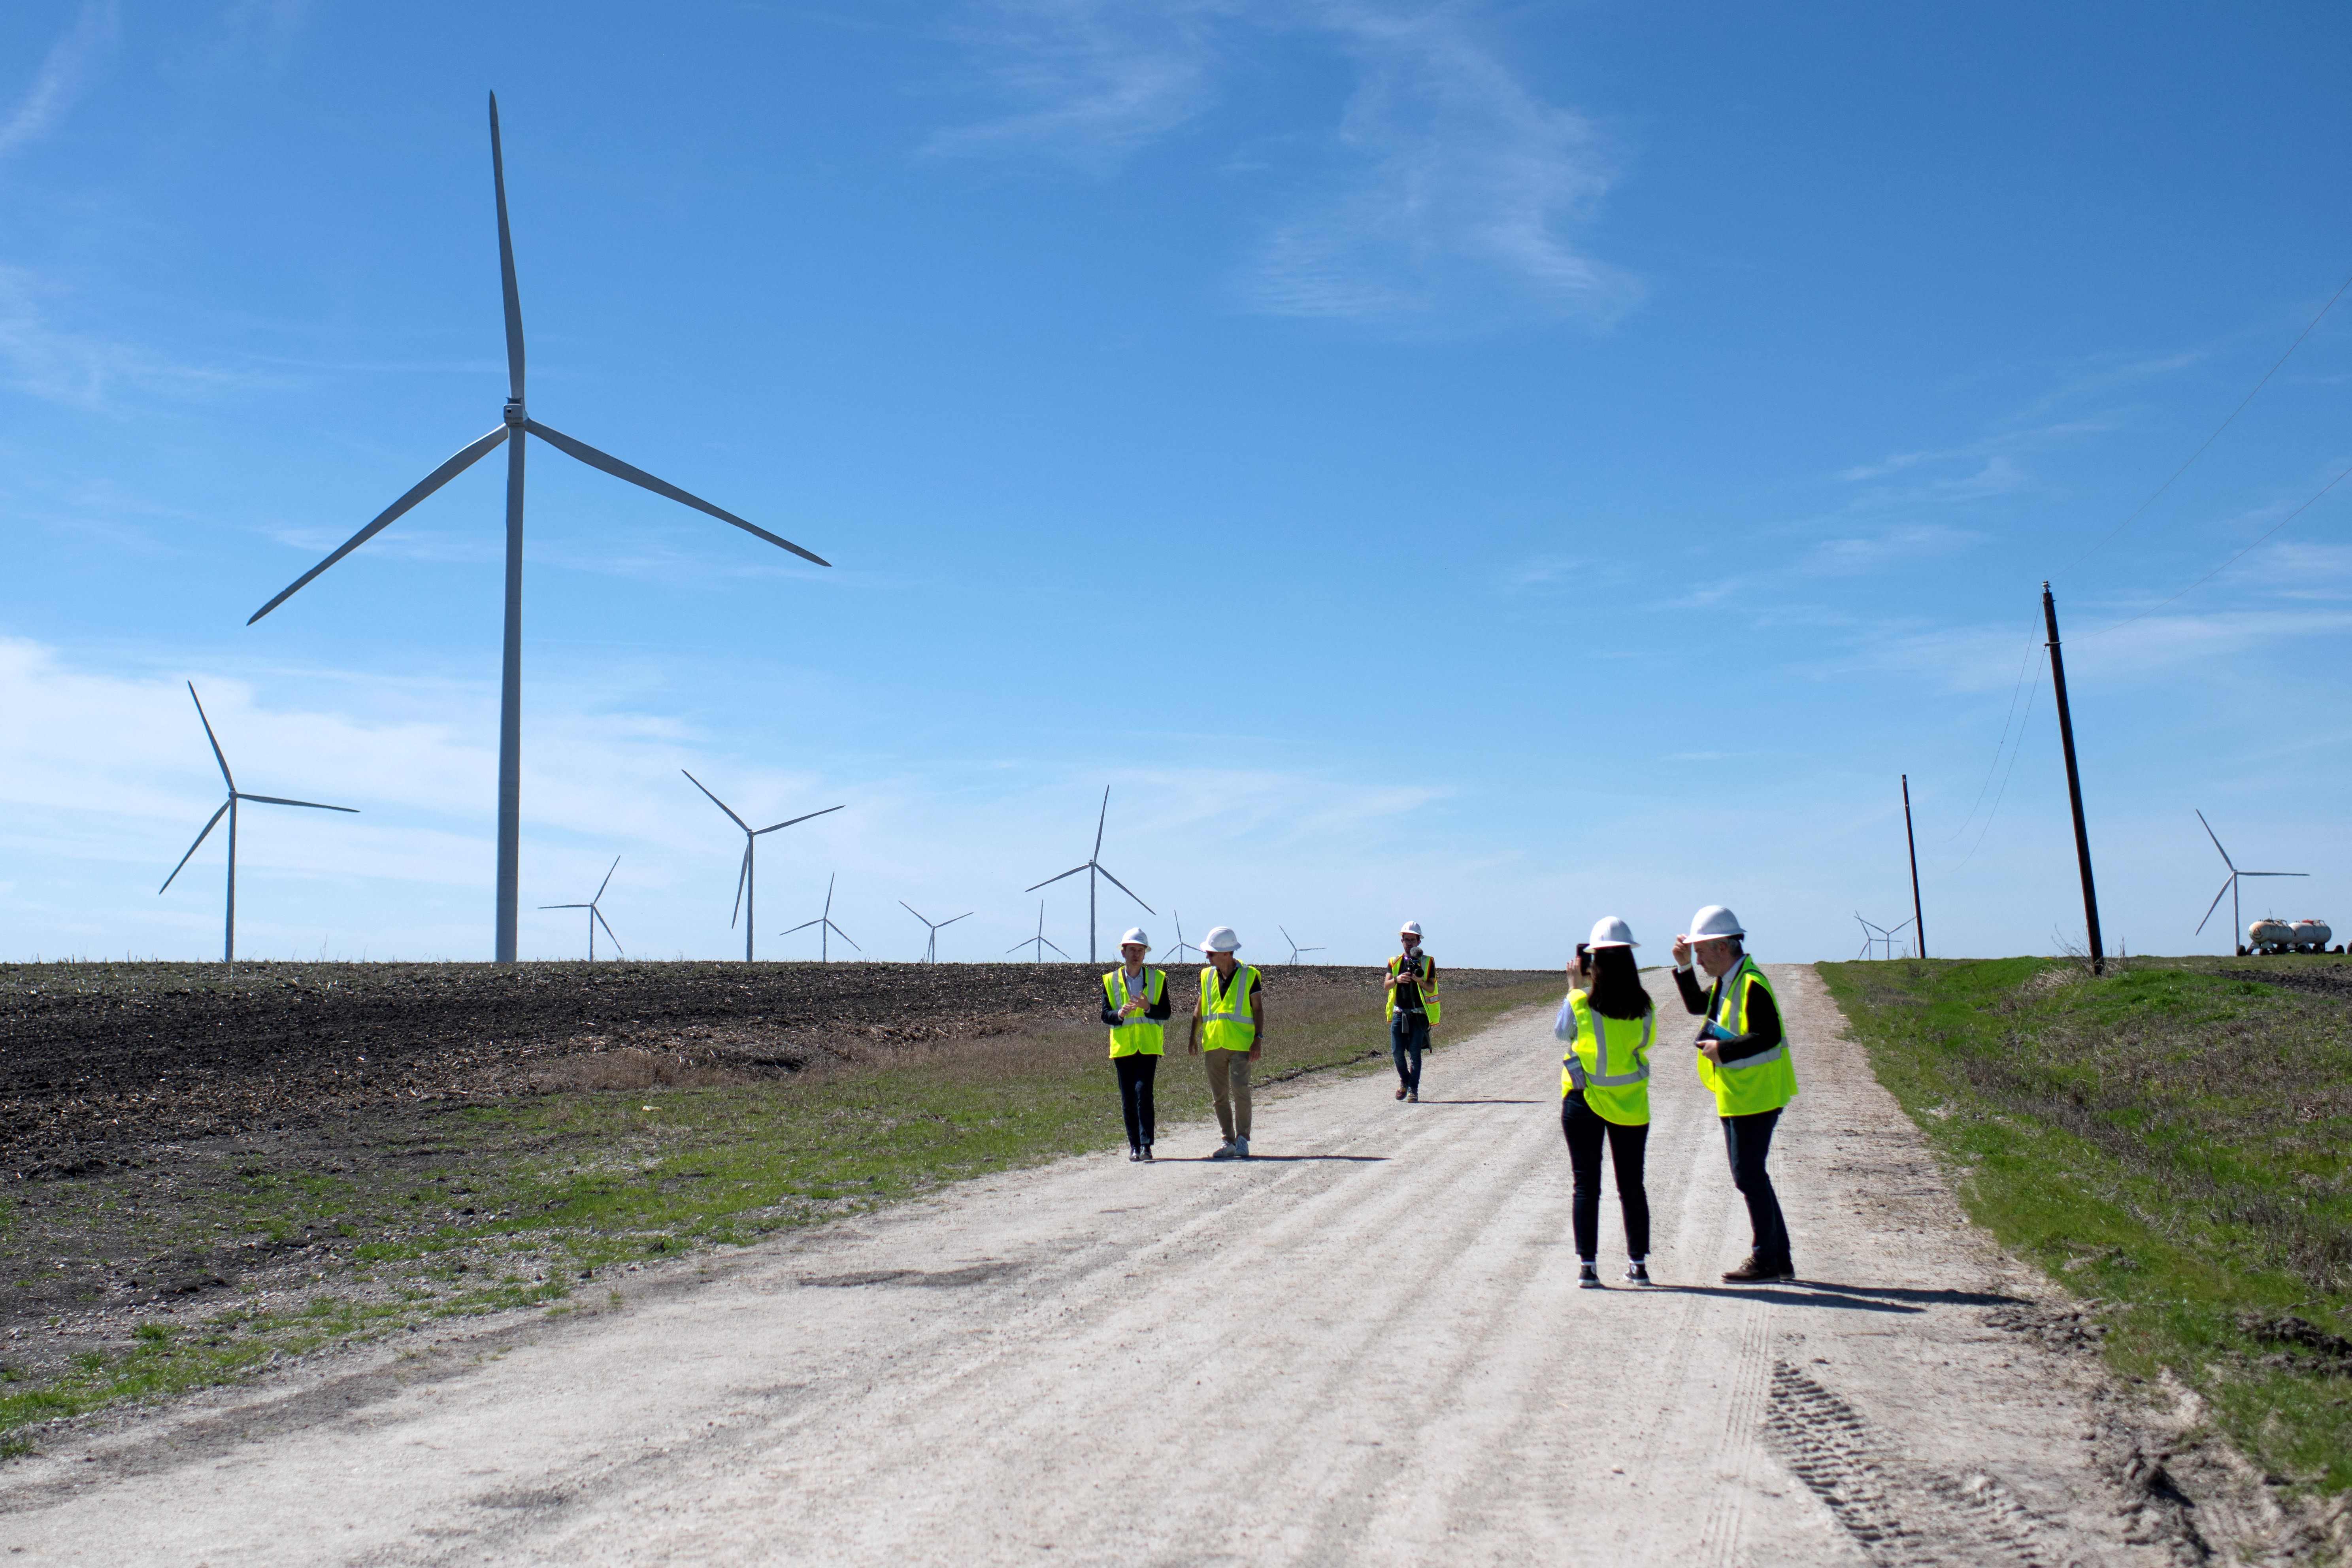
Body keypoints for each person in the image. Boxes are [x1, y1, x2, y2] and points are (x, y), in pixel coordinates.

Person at [1672, 904, 1797, 1283]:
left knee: (1748, 1177)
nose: (1699, 960)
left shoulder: (1751, 983)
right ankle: (1779, 1259)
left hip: (1756, 1095)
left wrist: (1722, 1050)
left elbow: (1768, 1035)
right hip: (1740, 1093)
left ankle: (1765, 1259)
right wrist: (1681, 968)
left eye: (1700, 953)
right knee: (1752, 1175)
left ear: (1722, 948)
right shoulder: (1732, 979)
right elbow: (1698, 1006)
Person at [1554, 917, 1654, 1287]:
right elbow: (1645, 1043)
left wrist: (1574, 987)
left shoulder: (1580, 1000)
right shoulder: (1644, 1006)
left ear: (1592, 962)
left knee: (1586, 1185)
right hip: (1630, 1105)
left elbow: (1560, 1033)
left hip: (1583, 1101)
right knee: (1632, 1187)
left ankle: (1588, 1267)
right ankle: (1638, 1266)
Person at [1186, 926, 1263, 1159]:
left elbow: (1258, 1009)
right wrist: (1192, 1036)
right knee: (1219, 1096)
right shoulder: (1206, 975)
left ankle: (1243, 1139)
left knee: (1241, 1091)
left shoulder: (1250, 976)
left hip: (1241, 1044)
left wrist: (1258, 1039)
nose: (1207, 957)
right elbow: (1199, 1009)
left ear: (1227, 953)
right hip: (1213, 1044)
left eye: (1211, 953)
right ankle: (1228, 1140)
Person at [1101, 927, 1172, 1162]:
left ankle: (1146, 1145)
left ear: (1145, 953)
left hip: (1149, 1047)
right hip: (1123, 1048)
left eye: (1140, 950)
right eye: (1132, 950)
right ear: (1123, 953)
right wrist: (1119, 1014)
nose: (1136, 954)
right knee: (1128, 1098)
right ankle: (1133, 1146)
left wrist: (1148, 1007)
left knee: (1144, 1093)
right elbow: (1105, 1015)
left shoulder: (1157, 979)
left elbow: (1166, 1013)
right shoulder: (1110, 980)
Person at [1383, 921, 1440, 1102]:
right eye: (1406, 939)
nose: (1409, 943)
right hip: (1400, 1013)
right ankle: (1405, 1081)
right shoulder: (1394, 962)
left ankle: (1413, 1090)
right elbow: (1386, 986)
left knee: (1415, 1054)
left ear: (1419, 943)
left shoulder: (1428, 962)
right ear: (1402, 941)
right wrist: (1398, 980)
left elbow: (1431, 988)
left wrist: (1418, 980)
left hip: (1419, 1015)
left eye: (1412, 940)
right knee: (1397, 1053)